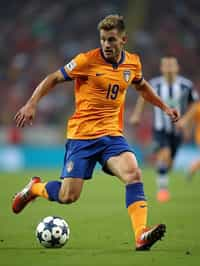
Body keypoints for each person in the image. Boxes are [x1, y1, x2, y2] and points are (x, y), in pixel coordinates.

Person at [12, 15, 179, 251]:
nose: (106, 45)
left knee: (133, 174)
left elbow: (141, 86)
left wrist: (164, 107)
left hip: (111, 136)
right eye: (103, 40)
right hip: (82, 136)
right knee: (68, 195)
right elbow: (54, 78)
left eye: (111, 40)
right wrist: (31, 104)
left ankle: (141, 234)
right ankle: (35, 189)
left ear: (123, 39)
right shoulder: (86, 61)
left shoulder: (133, 63)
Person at [130, 56, 198, 202]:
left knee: (169, 163)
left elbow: (194, 104)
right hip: (159, 128)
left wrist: (185, 121)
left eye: (171, 65)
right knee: (164, 154)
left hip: (177, 130)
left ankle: (162, 171)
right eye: (166, 65)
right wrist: (136, 115)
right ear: (161, 68)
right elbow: (143, 97)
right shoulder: (154, 84)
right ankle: (162, 190)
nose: (168, 68)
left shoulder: (186, 85)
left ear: (177, 68)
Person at [176, 101, 200, 179]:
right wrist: (185, 125)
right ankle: (191, 169)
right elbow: (189, 118)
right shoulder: (197, 107)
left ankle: (191, 169)